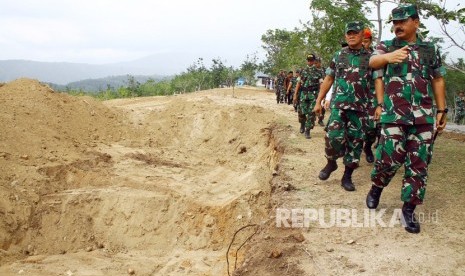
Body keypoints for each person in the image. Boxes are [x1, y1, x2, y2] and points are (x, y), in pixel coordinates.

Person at [366, 4, 447, 234]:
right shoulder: (386, 46)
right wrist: (389, 57)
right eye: (394, 22)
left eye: (402, 21)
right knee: (388, 159)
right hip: (393, 115)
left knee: (419, 164)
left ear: (416, 22)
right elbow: (373, 62)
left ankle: (408, 210)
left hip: (423, 117)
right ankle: (376, 187)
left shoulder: (429, 49)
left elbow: (438, 79)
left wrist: (442, 110)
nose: (397, 25)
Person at [313, 21, 373, 191]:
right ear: (346, 36)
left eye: (355, 33)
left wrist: (379, 105)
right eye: (349, 33)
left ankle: (347, 177)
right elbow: (329, 79)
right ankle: (331, 163)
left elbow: (377, 81)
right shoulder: (339, 55)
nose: (352, 36)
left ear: (362, 35)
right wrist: (319, 100)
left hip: (360, 109)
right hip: (339, 106)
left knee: (355, 143)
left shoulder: (371, 58)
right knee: (332, 137)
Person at [293, 54, 324, 139]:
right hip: (303, 94)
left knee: (311, 113)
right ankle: (302, 124)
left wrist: (321, 97)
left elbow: (321, 84)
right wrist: (295, 95)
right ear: (307, 61)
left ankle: (308, 130)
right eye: (308, 60)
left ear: (314, 61)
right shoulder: (302, 71)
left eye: (311, 60)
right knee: (301, 112)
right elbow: (298, 83)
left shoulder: (319, 72)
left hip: (313, 95)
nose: (310, 62)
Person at [361, 28, 379, 163]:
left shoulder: (376, 56)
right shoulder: (350, 55)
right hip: (353, 96)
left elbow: (381, 79)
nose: (363, 44)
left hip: (371, 96)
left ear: (370, 41)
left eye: (366, 41)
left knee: (371, 127)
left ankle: (367, 147)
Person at [315, 57, 326, 127]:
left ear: (320, 63)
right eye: (314, 63)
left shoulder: (324, 70)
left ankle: (320, 119)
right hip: (313, 91)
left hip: (322, 90)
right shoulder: (312, 70)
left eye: (316, 63)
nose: (315, 64)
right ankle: (312, 119)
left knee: (323, 106)